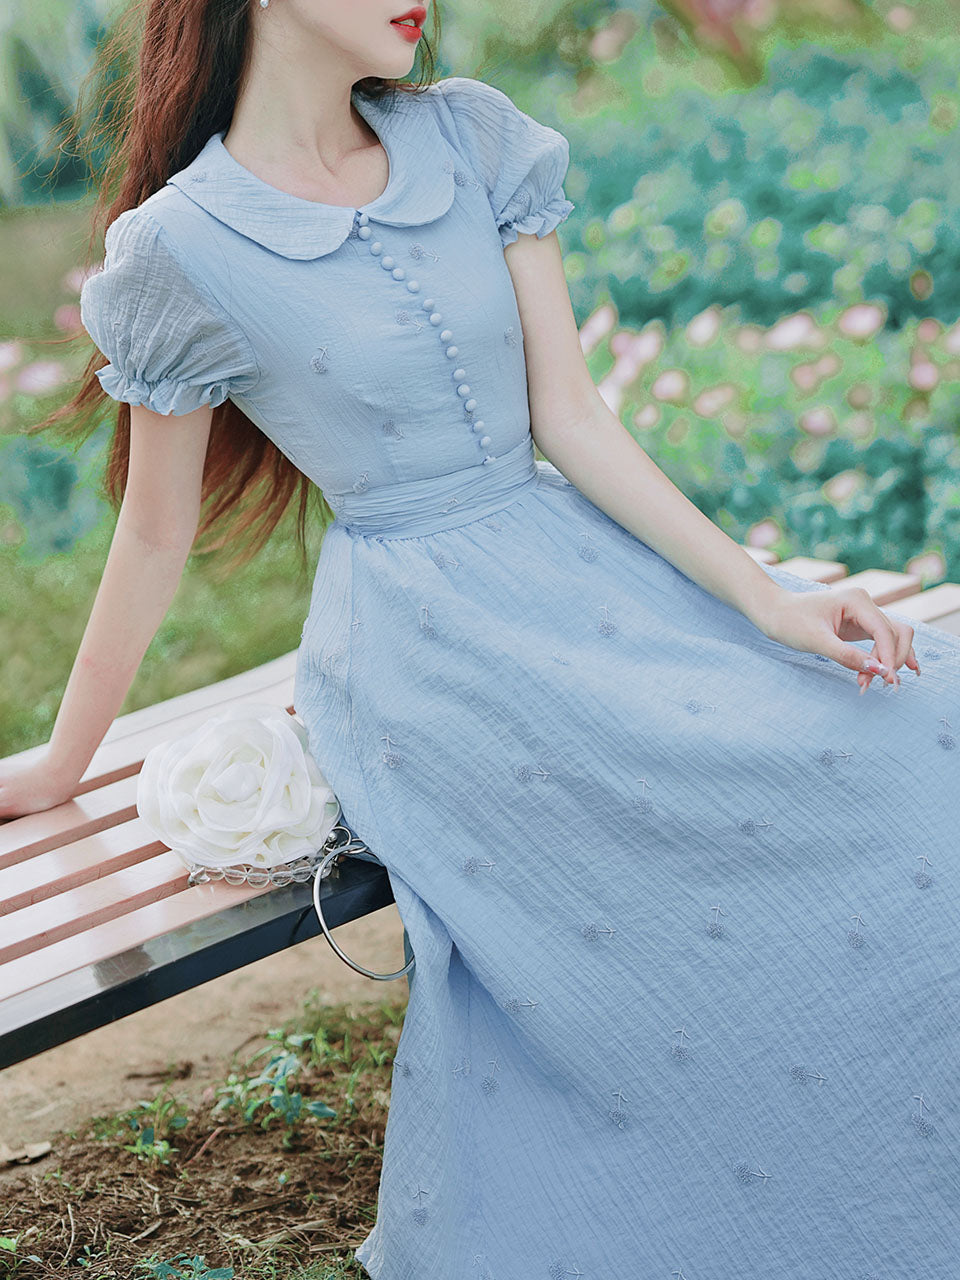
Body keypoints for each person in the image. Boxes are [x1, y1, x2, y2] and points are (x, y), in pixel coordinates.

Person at [3, 1, 958, 1275]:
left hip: (586, 568)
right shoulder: (178, 244)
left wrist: (763, 596)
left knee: (904, 736)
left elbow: (573, 416)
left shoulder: (470, 139)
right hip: (428, 654)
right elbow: (152, 535)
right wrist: (66, 760)